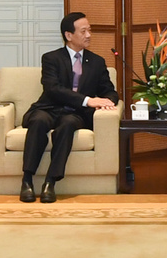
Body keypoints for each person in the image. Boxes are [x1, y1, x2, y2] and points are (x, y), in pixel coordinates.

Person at [19, 11, 119, 204]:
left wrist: (107, 101)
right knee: (38, 121)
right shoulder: (51, 58)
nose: (88, 35)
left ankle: (50, 182)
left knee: (67, 125)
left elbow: (109, 91)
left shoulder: (97, 62)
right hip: (49, 108)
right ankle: (27, 180)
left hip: (75, 114)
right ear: (68, 35)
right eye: (83, 31)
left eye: (89, 30)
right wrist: (88, 100)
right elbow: (53, 89)